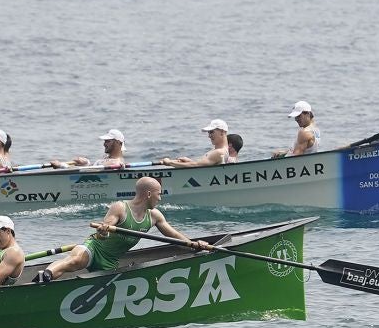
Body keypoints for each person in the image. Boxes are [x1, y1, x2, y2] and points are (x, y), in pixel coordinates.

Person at [31, 177, 210, 282]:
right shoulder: (120, 208)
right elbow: (105, 229)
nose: (160, 198)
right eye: (159, 193)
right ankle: (45, 275)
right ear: (148, 194)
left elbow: (176, 238)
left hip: (110, 262)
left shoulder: (155, 216)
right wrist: (104, 231)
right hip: (94, 248)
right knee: (75, 260)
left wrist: (195, 245)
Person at [159, 119, 233, 167]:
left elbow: (196, 166)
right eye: (208, 133)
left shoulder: (219, 152)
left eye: (211, 132)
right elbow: (203, 165)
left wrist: (169, 163)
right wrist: (189, 161)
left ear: (222, 132)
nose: (209, 136)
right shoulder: (220, 150)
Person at [49, 129, 128, 169]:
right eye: (105, 141)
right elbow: (93, 169)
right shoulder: (107, 159)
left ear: (118, 143)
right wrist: (86, 163)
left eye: (108, 141)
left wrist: (62, 165)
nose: (104, 144)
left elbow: (92, 172)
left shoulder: (116, 162)